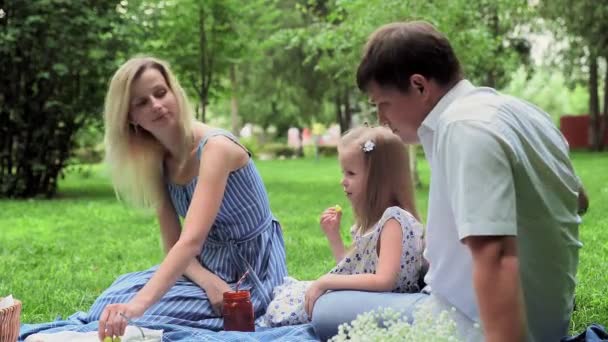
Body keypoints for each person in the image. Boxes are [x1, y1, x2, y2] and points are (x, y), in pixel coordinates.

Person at [312, 21, 584, 342]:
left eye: (382, 104)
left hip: (479, 324)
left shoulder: (464, 128)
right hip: (550, 320)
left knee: (326, 308)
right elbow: (578, 199)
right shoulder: (523, 112)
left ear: (419, 86)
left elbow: (495, 256)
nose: (382, 120)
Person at [94, 56, 287, 340]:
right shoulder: (159, 161)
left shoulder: (215, 148)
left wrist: (136, 306)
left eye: (160, 93)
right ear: (130, 117)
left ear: (175, 93)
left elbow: (191, 240)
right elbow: (173, 243)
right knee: (108, 301)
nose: (156, 105)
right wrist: (206, 280)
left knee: (144, 312)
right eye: (141, 102)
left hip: (250, 271)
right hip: (204, 268)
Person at [260, 125, 425, 327]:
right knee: (290, 293)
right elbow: (352, 269)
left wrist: (326, 281)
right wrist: (333, 236)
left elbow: (384, 281)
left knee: (296, 304)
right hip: (366, 297)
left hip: (385, 302)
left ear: (379, 180)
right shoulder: (373, 223)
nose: (342, 181)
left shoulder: (393, 221)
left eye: (351, 173)